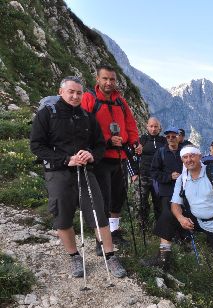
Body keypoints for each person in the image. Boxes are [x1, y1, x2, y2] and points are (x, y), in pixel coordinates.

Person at [30, 76, 126, 279]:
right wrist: (66, 159)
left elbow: (99, 144)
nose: (75, 96)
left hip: (85, 171)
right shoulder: (47, 114)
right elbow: (37, 146)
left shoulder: (87, 117)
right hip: (58, 172)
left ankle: (109, 255)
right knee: (63, 216)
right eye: (71, 92)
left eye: (79, 93)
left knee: (98, 211)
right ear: (60, 92)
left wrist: (91, 154)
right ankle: (74, 255)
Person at [154, 146, 213, 284]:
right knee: (168, 215)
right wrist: (181, 218)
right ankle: (163, 260)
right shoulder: (182, 178)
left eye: (192, 156)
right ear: (182, 160)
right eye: (185, 157)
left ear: (199, 157)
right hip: (197, 220)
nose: (189, 160)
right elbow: (175, 203)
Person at [81, 64, 139, 245]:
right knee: (102, 200)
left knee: (118, 198)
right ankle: (101, 240)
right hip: (100, 159)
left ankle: (114, 232)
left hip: (120, 157)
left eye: (112, 79)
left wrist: (135, 142)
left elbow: (131, 125)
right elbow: (84, 128)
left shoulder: (121, 101)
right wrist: (106, 141)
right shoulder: (89, 99)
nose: (108, 82)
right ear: (97, 79)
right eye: (105, 78)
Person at [148, 127, 191, 268]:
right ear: (165, 138)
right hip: (167, 191)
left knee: (180, 217)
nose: (171, 139)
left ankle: (177, 247)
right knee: (167, 216)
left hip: (184, 192)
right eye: (168, 137)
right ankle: (164, 256)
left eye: (174, 136)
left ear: (179, 137)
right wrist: (169, 177)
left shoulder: (185, 154)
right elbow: (154, 172)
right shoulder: (160, 152)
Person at [134, 117, 166, 225]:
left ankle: (160, 227)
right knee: (141, 202)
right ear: (147, 127)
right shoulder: (142, 139)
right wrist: (134, 173)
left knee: (159, 203)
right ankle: (143, 226)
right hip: (143, 175)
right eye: (151, 126)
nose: (153, 129)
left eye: (156, 126)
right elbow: (133, 156)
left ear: (159, 128)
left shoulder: (163, 141)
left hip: (158, 177)